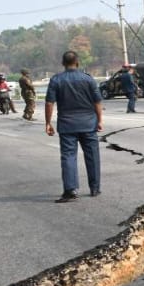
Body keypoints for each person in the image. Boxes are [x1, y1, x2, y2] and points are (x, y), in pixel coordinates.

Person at [45, 50, 104, 202]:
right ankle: (95, 188)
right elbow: (97, 102)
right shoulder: (88, 79)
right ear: (77, 63)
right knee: (93, 156)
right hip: (88, 124)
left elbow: (49, 103)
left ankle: (70, 190)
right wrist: (99, 120)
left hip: (67, 125)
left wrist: (48, 122)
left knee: (68, 157)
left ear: (63, 64)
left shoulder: (56, 80)